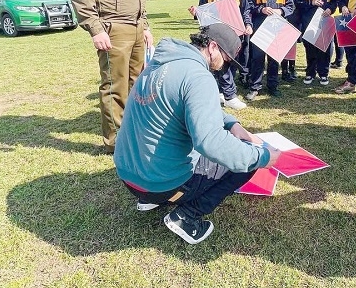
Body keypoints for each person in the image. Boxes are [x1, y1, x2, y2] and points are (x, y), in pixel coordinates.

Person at [114, 24, 282, 244]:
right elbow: (211, 143)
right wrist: (264, 157)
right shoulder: (199, 77)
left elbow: (188, 102)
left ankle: (151, 200)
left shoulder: (160, 63)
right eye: (227, 59)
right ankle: (187, 215)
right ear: (213, 47)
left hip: (129, 178)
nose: (226, 67)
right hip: (161, 185)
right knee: (248, 158)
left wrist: (231, 123)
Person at [70, 0, 154, 154]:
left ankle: (133, 132)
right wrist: (95, 29)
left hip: (137, 28)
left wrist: (145, 25)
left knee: (136, 85)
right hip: (113, 29)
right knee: (114, 85)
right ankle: (116, 143)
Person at [188, 0, 253, 110]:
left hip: (235, 34)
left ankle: (221, 91)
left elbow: (246, 10)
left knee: (231, 64)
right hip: (215, 34)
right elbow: (203, 11)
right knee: (219, 63)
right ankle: (230, 95)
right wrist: (195, 13)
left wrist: (248, 24)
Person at [245, 0, 295, 100]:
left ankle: (273, 86)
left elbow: (291, 7)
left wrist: (281, 11)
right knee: (257, 59)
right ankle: (255, 87)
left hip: (277, 28)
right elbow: (249, 5)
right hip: (259, 28)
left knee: (274, 58)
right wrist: (261, 9)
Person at [297, 0, 338, 86]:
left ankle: (324, 74)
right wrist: (311, 2)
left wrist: (330, 9)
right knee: (310, 49)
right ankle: (310, 73)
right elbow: (299, 4)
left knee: (324, 49)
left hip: (324, 23)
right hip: (309, 24)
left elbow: (335, 2)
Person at [281, 0, 308, 81]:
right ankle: (284, 70)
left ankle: (292, 68)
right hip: (285, 19)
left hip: (296, 21)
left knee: (292, 47)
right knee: (283, 47)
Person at [324, 0, 346, 69]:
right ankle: (339, 61)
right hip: (341, 13)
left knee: (330, 40)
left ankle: (327, 62)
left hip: (330, 12)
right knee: (339, 39)